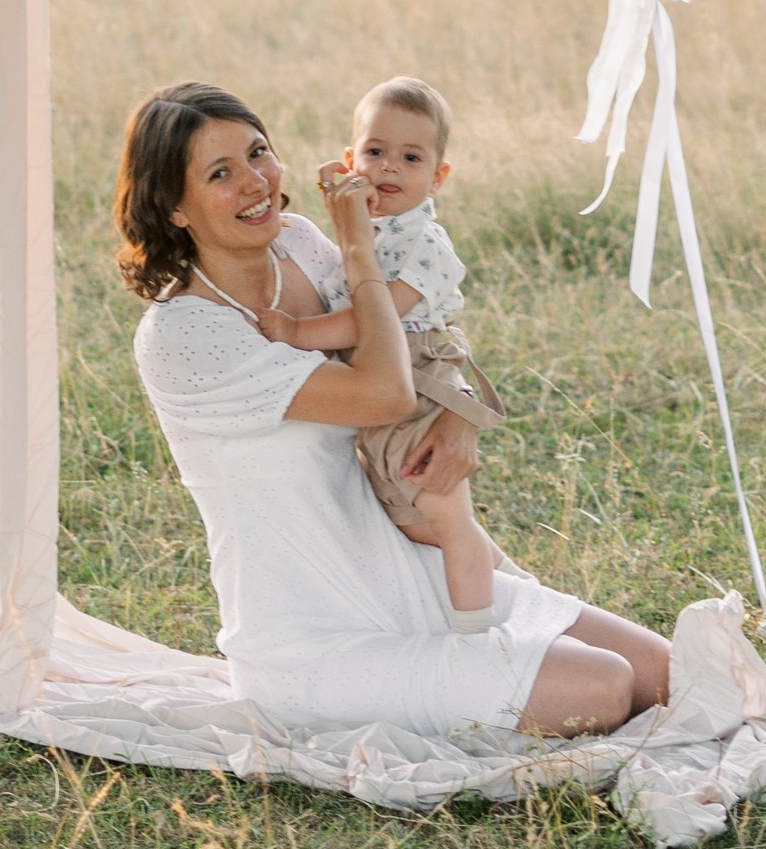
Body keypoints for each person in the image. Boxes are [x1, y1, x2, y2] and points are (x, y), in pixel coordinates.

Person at [118, 77, 673, 738]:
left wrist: (460, 413)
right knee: (605, 687)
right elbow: (385, 393)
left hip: (403, 565)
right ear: (174, 208)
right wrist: (358, 250)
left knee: (663, 672)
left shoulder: (298, 245)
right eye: (220, 173)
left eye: (258, 152)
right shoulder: (184, 333)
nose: (255, 182)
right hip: (314, 639)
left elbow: (418, 330)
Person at [254, 72, 505, 633]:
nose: (389, 168)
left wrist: (297, 331)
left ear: (437, 177)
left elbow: (377, 318)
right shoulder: (368, 228)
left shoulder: (424, 242)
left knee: (447, 517)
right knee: (413, 521)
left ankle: (479, 630)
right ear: (353, 160)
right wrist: (340, 185)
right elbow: (335, 195)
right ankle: (508, 596)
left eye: (411, 158)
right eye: (375, 152)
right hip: (384, 393)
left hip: (417, 379)